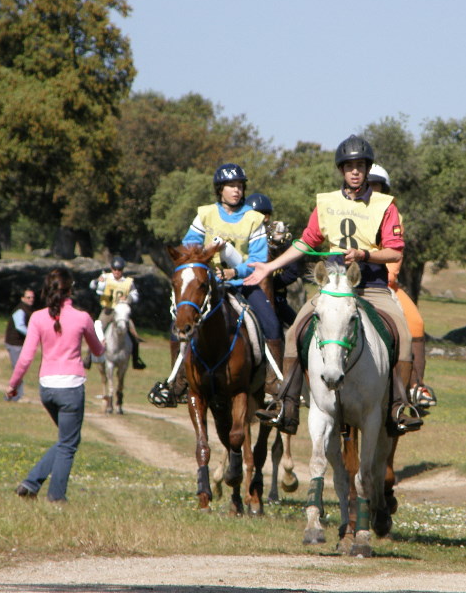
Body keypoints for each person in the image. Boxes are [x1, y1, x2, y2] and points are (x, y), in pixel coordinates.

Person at [247, 135, 423, 435]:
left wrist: (364, 254)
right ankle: (286, 403)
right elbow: (306, 241)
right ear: (342, 170)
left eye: (360, 166)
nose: (355, 171)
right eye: (349, 166)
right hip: (334, 287)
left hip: (372, 285)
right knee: (294, 334)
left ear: (367, 169)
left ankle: (398, 406)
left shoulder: (385, 205)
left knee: (404, 337)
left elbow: (394, 250)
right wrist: (270, 266)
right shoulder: (327, 202)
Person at [177, 164, 284, 383]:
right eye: (230, 186)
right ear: (220, 190)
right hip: (207, 284)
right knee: (181, 317)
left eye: (239, 186)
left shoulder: (254, 218)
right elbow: (188, 245)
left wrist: (234, 271)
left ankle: (274, 384)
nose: (236, 190)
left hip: (244, 283)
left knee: (271, 323)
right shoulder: (205, 214)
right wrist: (202, 259)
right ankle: (177, 380)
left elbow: (258, 260)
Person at [7, 267, 104, 502]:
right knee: (68, 444)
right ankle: (56, 497)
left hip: (47, 387)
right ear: (71, 290)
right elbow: (98, 351)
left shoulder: (38, 318)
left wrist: (13, 384)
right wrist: (99, 335)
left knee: (66, 440)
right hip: (71, 387)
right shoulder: (82, 317)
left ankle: (31, 484)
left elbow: (26, 357)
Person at [367, 163, 436, 409]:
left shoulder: (393, 214)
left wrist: (388, 277)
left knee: (415, 322)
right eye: (369, 185)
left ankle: (416, 385)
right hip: (350, 280)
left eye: (377, 186)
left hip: (386, 283)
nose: (373, 190)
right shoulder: (348, 210)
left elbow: (394, 255)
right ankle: (296, 385)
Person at [246, 192, 301, 329]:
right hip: (245, 294)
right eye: (258, 214)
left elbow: (293, 271)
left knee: (298, 328)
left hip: (276, 298)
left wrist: (270, 284)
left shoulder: (277, 242)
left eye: (266, 215)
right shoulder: (242, 239)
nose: (264, 219)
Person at [89, 256, 146, 369]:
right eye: (115, 269)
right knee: (96, 331)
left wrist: (129, 298)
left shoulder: (128, 282)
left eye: (119, 270)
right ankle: (88, 358)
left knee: (134, 335)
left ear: (122, 270)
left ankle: (136, 359)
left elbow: (135, 295)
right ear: (111, 268)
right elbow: (92, 286)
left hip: (121, 312)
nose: (117, 272)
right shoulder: (105, 277)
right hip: (108, 311)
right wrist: (97, 281)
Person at [3, 288, 36, 401]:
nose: (31, 299)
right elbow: (19, 326)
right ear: (22, 298)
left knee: (19, 370)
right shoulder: (20, 310)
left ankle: (15, 396)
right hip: (14, 343)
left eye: (32, 297)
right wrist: (33, 335)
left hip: (19, 344)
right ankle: (13, 396)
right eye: (28, 297)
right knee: (18, 370)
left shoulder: (27, 309)